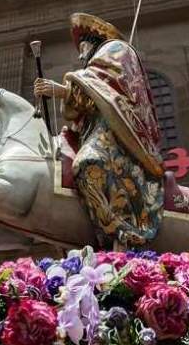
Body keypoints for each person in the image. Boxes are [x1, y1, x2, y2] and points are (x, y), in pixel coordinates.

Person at [33, 13, 164, 250]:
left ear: (93, 41)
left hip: (116, 134)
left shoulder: (116, 51)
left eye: (82, 46)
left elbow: (107, 91)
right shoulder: (95, 66)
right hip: (95, 130)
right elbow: (91, 99)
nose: (80, 54)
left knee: (86, 163)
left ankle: (123, 234)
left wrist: (62, 91)